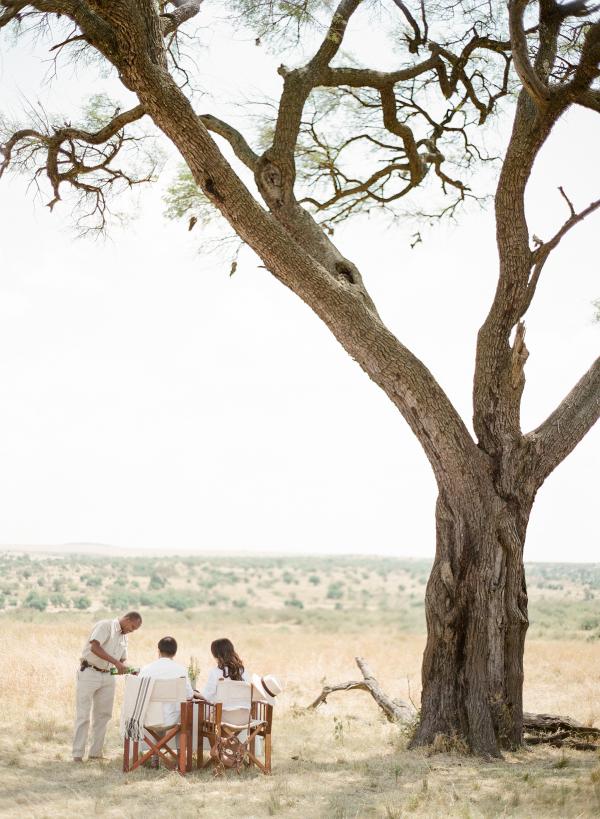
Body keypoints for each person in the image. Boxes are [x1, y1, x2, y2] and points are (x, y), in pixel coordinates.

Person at [72, 611, 142, 762]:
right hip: (89, 672)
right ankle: (77, 754)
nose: (132, 631)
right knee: (83, 714)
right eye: (132, 627)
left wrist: (128, 669)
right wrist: (116, 662)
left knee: (103, 716)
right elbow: (94, 647)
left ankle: (95, 753)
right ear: (127, 619)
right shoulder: (105, 626)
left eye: (134, 629)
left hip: (108, 676)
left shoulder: (124, 637)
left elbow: (122, 660)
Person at [138, 636, 193, 726]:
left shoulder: (146, 669)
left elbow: (138, 693)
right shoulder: (181, 670)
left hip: (148, 719)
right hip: (172, 719)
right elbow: (189, 695)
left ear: (158, 651)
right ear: (175, 653)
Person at [199, 637, 249, 703]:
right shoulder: (242, 671)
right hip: (244, 711)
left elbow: (207, 696)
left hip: (222, 712)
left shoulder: (215, 672)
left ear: (215, 655)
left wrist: (195, 694)